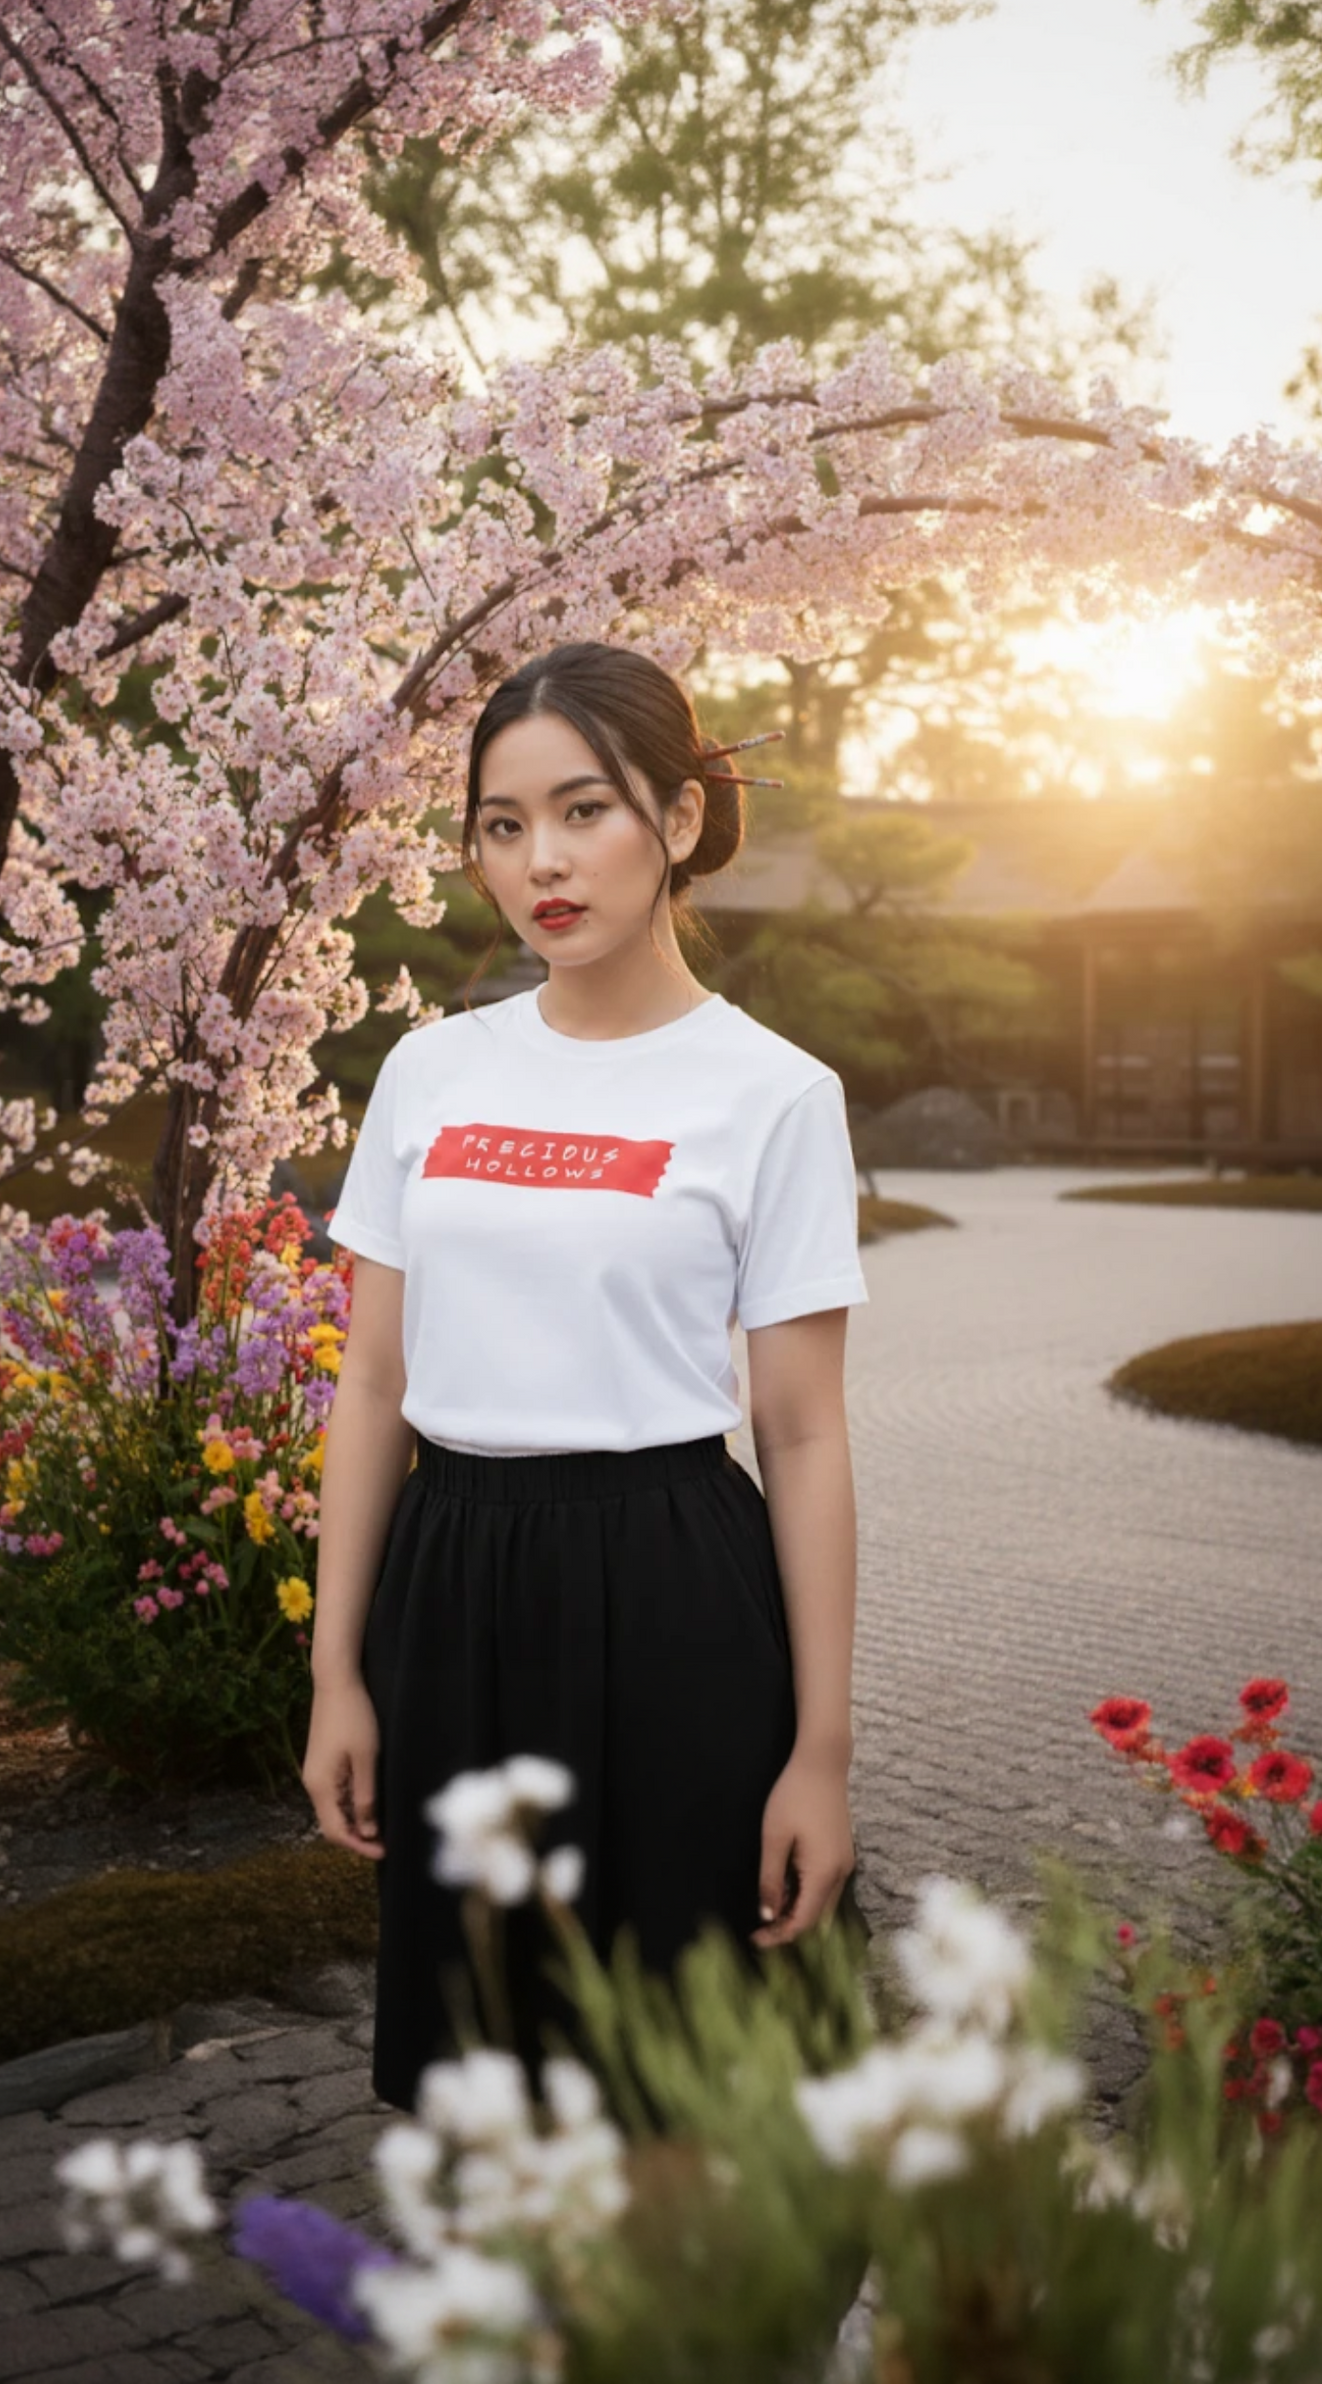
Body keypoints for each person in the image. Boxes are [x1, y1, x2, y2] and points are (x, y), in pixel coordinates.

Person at [300, 638, 871, 2115]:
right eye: (503, 825)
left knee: (681, 2084)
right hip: (452, 1595)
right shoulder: (431, 1073)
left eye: (582, 810)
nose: (541, 861)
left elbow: (803, 1436)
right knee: (486, 2084)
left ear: (677, 818)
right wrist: (335, 1673)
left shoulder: (775, 1095)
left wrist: (819, 1753)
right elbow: (372, 1385)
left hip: (673, 1592)